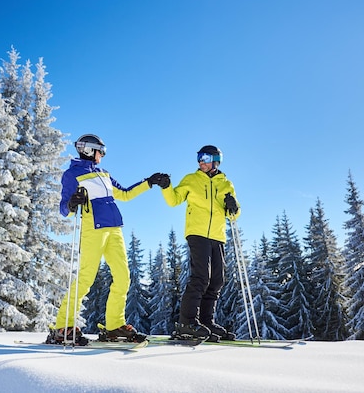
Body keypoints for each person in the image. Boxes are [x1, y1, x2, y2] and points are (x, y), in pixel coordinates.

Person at [48, 134, 169, 345]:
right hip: (93, 229)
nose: (102, 155)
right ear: (88, 150)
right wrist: (72, 203)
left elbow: (124, 194)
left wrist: (149, 182)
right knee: (86, 279)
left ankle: (114, 326)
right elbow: (63, 209)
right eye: (100, 151)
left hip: (114, 230)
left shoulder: (103, 173)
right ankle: (63, 327)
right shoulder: (72, 174)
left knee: (123, 277)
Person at [159, 145, 240, 340]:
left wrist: (233, 206)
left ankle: (206, 322)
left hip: (218, 236)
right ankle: (187, 322)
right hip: (197, 232)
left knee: (217, 280)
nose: (200, 161)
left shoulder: (226, 184)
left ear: (216, 160)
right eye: (198, 157)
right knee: (201, 277)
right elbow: (174, 200)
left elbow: (234, 215)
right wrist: (166, 187)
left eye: (204, 157)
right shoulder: (191, 179)